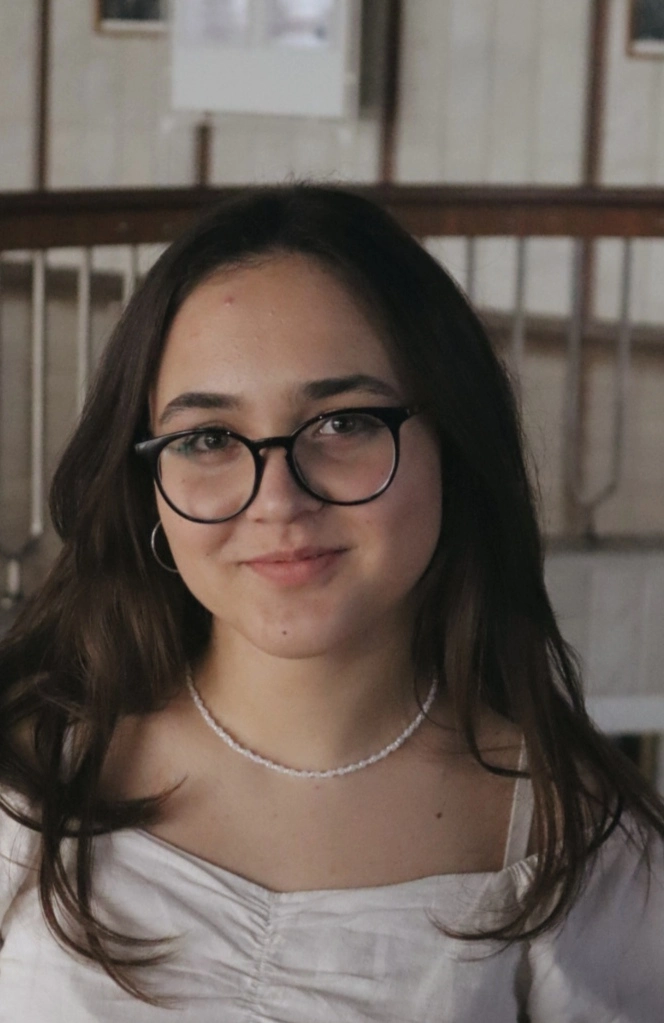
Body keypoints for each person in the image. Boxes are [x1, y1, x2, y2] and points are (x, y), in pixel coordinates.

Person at [0, 185, 663, 1022]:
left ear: (453, 444)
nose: (277, 499)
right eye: (208, 438)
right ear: (149, 487)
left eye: (343, 424)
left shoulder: (578, 844)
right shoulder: (28, 775)